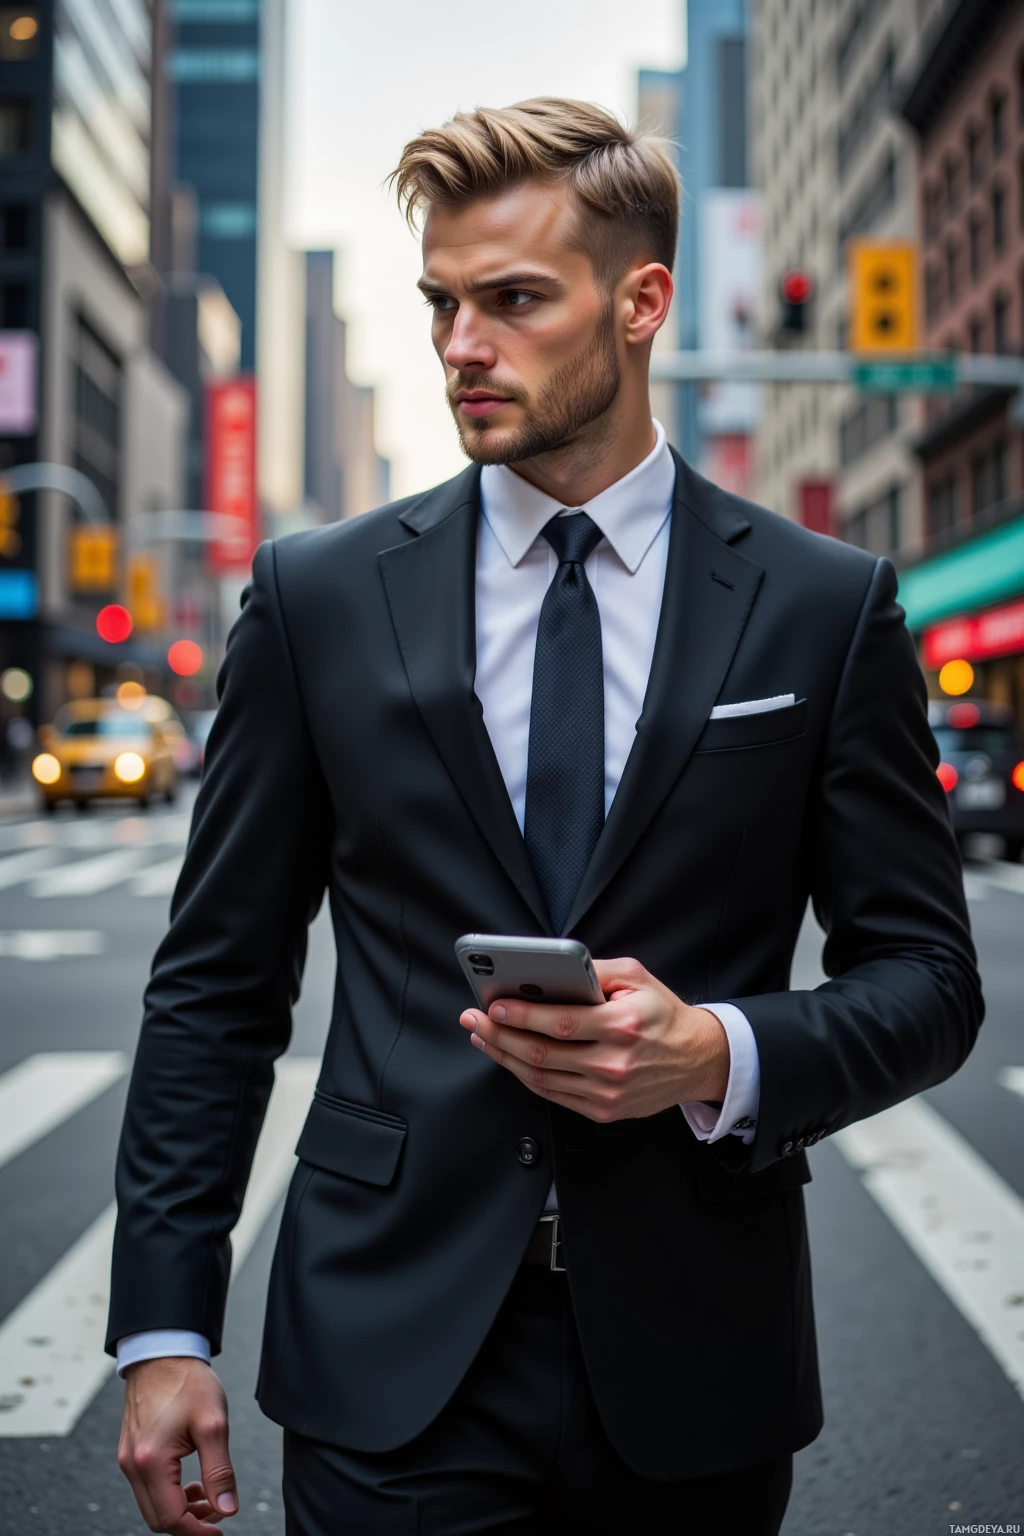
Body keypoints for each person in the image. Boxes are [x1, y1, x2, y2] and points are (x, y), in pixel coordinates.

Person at [109, 98, 983, 1535]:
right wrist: (163, 1332)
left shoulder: (825, 609)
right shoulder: (318, 598)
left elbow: (931, 982)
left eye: (513, 299)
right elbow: (215, 985)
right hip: (389, 1352)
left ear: (642, 304)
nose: (461, 344)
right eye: (443, 302)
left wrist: (720, 1051)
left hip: (697, 1358)